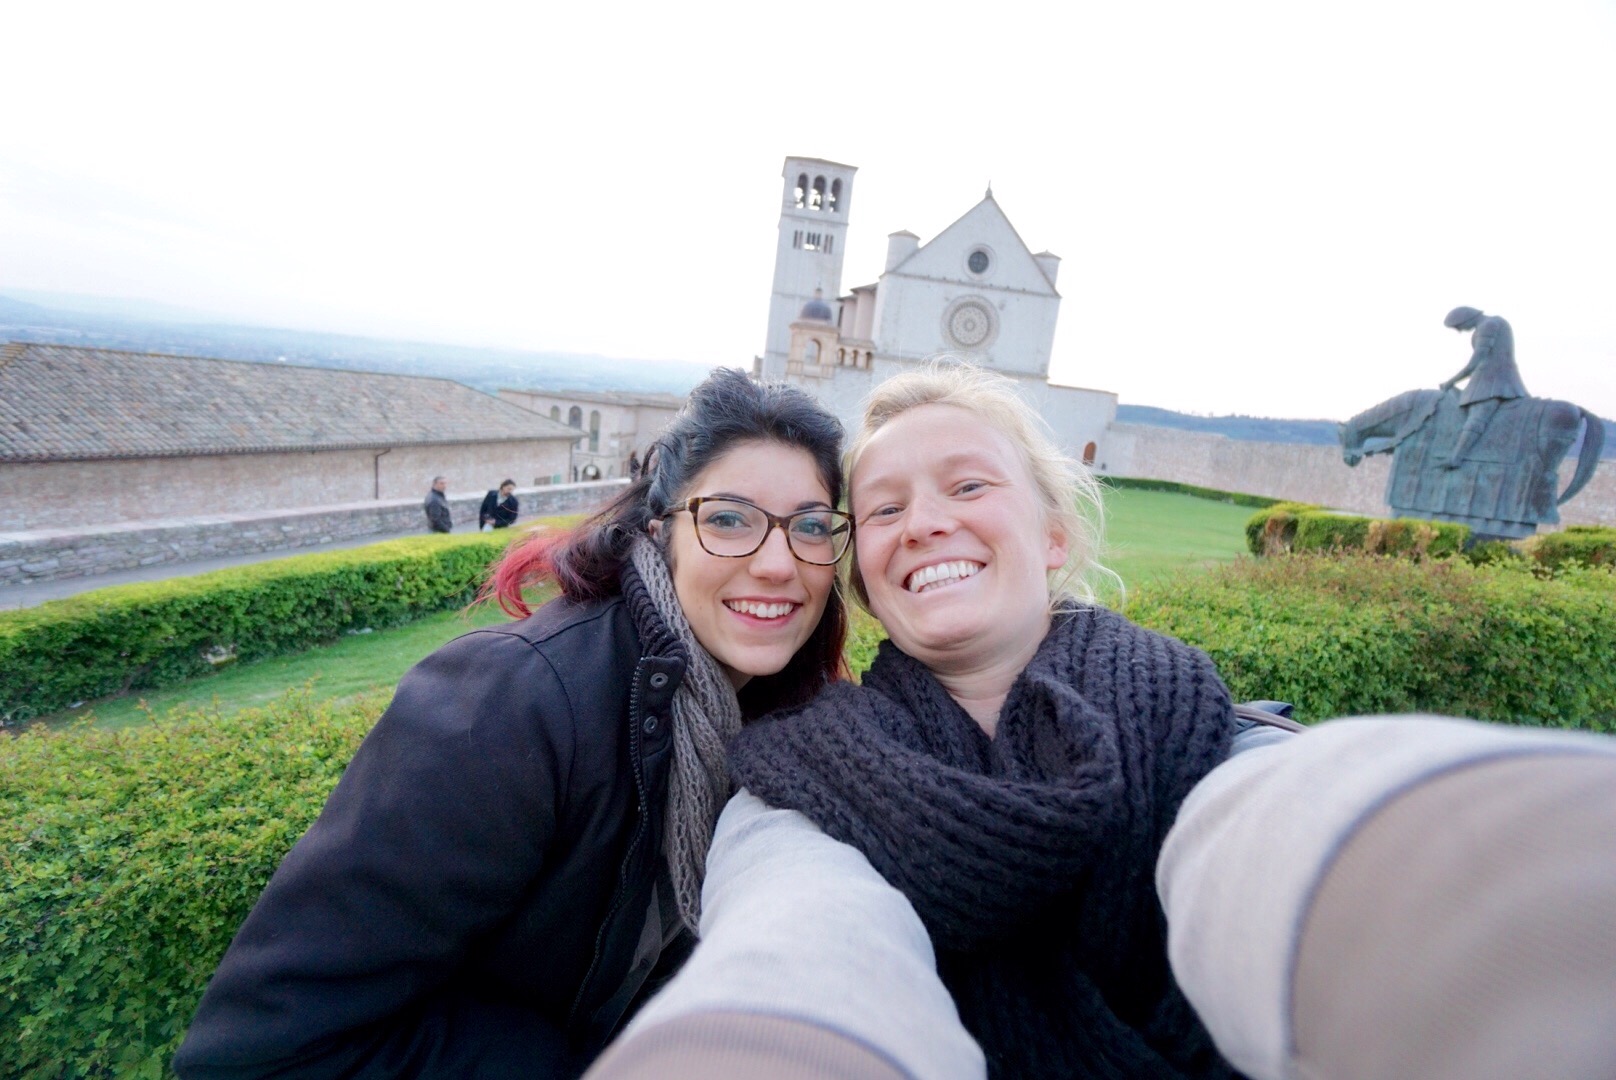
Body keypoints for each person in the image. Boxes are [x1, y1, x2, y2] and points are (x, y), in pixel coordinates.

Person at [172, 368, 854, 1079]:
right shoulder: (513, 705)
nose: (779, 563)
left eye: (809, 526)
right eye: (728, 519)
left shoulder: (773, 711)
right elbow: (267, 1050)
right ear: (662, 532)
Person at [715, 363, 1240, 1079]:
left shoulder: (1193, 718)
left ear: (1054, 536)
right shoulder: (810, 772)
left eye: (968, 486)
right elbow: (794, 905)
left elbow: (1272, 825)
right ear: (866, 579)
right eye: (885, 510)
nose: (927, 524)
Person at [1440, 305, 1527, 468]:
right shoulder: (1492, 323)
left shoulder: (1488, 326)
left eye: (1458, 327)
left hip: (1493, 379)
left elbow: (1477, 359)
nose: (1460, 331)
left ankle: (1456, 458)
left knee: (1477, 418)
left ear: (1465, 319)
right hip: (1489, 376)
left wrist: (1452, 380)